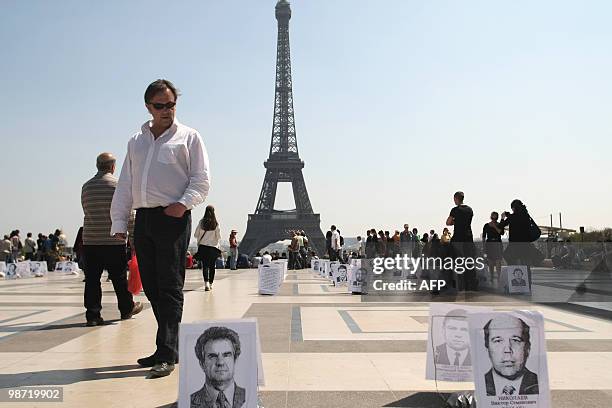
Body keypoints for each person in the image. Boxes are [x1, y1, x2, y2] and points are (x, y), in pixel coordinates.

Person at [111, 79, 211, 377]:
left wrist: (182, 204)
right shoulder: (136, 141)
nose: (167, 110)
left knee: (169, 285)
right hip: (144, 219)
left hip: (172, 217)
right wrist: (119, 221)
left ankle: (167, 351)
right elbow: (126, 184)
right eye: (160, 106)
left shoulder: (189, 137)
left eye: (171, 104)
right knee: (152, 286)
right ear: (148, 107)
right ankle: (168, 345)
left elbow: (201, 179)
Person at [81, 152, 143, 327]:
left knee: (92, 280)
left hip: (91, 240)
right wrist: (134, 241)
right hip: (114, 241)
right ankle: (126, 308)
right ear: (113, 167)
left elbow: (87, 211)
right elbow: (129, 216)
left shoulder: (86, 187)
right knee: (119, 278)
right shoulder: (118, 186)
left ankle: (93, 315)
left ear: (97, 165)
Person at [191, 326, 246, 408]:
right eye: (212, 356)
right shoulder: (187, 403)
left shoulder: (250, 397)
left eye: (226, 355)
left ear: (235, 360)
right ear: (202, 364)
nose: (220, 362)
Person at [483, 315, 539, 396]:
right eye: (498, 341)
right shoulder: (478, 384)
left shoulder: (540, 383)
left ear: (527, 348)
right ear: (487, 348)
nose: (507, 350)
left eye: (515, 340)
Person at [446, 191, 477, 291]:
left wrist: (456, 221)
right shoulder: (470, 209)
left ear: (456, 198)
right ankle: (471, 284)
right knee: (469, 262)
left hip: (458, 238)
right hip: (468, 238)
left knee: (456, 261)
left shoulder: (455, 210)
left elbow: (448, 222)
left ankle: (458, 284)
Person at [194, 205, 221, 291]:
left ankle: (206, 284)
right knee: (212, 266)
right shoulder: (215, 223)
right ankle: (211, 283)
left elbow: (195, 234)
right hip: (213, 247)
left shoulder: (201, 222)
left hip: (203, 247)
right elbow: (218, 237)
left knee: (205, 266)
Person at [482, 212, 504, 282]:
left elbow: (501, 233)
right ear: (490, 217)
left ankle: (499, 276)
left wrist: (495, 226)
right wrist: (484, 246)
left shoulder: (499, 225)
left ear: (497, 218)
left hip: (498, 243)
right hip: (489, 244)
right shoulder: (486, 225)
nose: (494, 219)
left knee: (498, 261)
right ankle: (491, 276)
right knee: (490, 262)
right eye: (492, 218)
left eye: (495, 218)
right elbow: (483, 236)